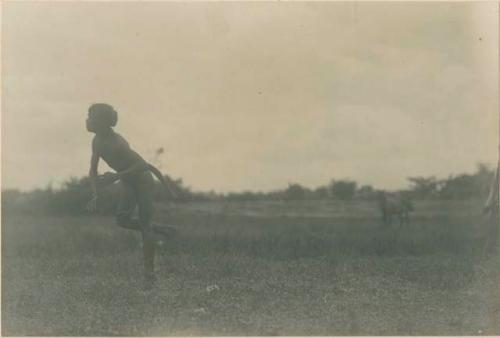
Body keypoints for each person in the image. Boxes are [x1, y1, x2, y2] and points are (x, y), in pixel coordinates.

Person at [85, 103, 177, 287]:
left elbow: (143, 166)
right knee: (122, 220)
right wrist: (95, 194)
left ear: (103, 121)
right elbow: (92, 171)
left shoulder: (118, 142)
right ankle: (163, 230)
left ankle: (149, 274)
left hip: (142, 179)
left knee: (144, 225)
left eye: (92, 117)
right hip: (128, 180)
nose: (87, 121)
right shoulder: (96, 141)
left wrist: (116, 177)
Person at [483, 157, 499, 256]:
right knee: (492, 231)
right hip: (497, 204)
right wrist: (488, 204)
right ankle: (488, 255)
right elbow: (494, 185)